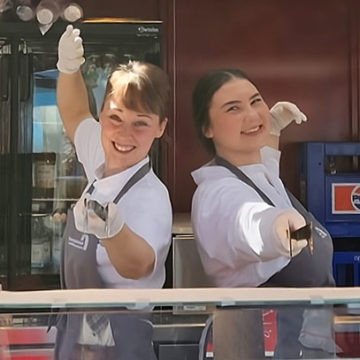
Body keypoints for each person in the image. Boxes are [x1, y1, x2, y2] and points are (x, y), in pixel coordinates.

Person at [190, 69, 336, 359]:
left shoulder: (259, 175)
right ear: (208, 127)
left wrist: (273, 130)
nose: (252, 114)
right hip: (266, 350)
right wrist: (281, 229)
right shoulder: (218, 194)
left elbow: (267, 167)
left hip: (306, 346)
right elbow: (249, 221)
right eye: (233, 108)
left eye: (255, 101)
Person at [54, 25, 172, 360]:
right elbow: (75, 113)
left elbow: (138, 264)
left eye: (141, 123)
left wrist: (112, 230)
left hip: (121, 345)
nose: (124, 133)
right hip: (76, 336)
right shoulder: (101, 155)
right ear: (103, 115)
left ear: (160, 127)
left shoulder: (151, 196)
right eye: (115, 117)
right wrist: (68, 67)